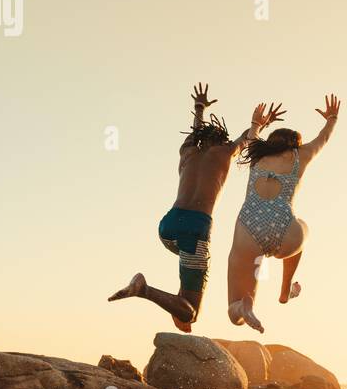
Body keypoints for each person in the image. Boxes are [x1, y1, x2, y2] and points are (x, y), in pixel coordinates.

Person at [108, 84, 284, 333]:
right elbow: (247, 139)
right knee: (191, 311)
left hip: (167, 227)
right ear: (221, 139)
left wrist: (199, 108)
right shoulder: (225, 152)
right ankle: (144, 289)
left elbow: (195, 132)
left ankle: (178, 303)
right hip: (195, 229)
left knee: (188, 273)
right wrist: (258, 124)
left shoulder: (187, 151)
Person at [226, 94, 341, 332]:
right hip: (285, 229)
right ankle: (285, 289)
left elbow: (253, 134)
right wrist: (331, 119)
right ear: (295, 144)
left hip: (248, 227)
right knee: (302, 226)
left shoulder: (258, 155)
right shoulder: (301, 156)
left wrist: (257, 122)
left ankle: (244, 307)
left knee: (233, 313)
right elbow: (323, 138)